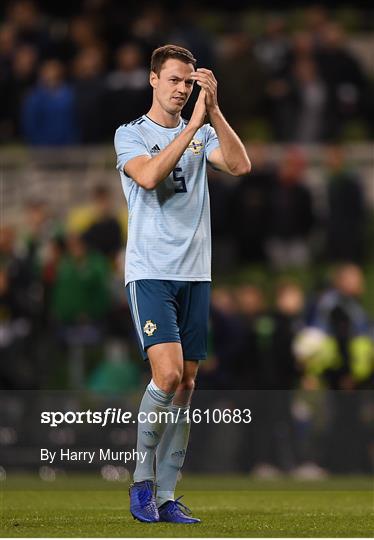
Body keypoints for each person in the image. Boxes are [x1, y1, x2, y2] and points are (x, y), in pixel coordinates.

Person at [114, 44, 251, 524]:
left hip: (196, 272)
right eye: (173, 79)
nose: (181, 89)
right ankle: (140, 483)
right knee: (167, 376)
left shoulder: (205, 130)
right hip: (151, 271)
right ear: (153, 79)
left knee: (188, 382)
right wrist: (193, 126)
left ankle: (168, 496)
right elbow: (149, 177)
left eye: (188, 82)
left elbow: (239, 166)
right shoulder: (130, 135)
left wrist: (214, 112)